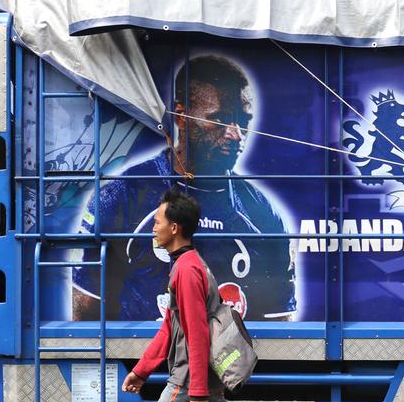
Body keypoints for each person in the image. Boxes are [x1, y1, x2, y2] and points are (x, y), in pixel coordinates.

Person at [67, 190, 264, 402]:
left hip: (190, 380)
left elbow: (198, 335)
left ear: (174, 228)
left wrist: (198, 390)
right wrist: (142, 370)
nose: (153, 227)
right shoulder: (188, 265)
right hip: (199, 378)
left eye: (157, 222)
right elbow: (170, 329)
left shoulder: (186, 271)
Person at [71, 54, 296, 322]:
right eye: (220, 120)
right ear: (180, 115)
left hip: (227, 362)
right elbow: (87, 310)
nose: (236, 135)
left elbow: (278, 323)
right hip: (147, 359)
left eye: (243, 122)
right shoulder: (124, 194)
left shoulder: (262, 214)